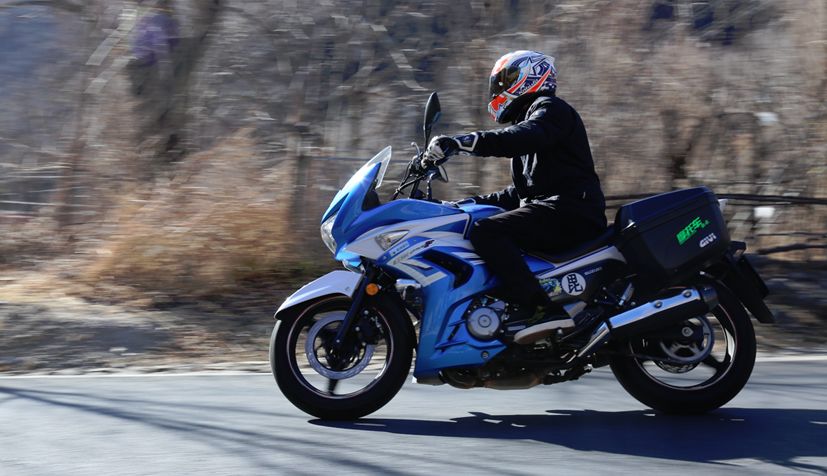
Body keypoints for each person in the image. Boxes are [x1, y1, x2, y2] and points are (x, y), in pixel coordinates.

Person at [422, 50, 607, 331]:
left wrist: (462, 143)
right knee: (476, 223)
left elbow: (522, 137)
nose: (498, 89)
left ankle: (541, 309)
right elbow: (516, 195)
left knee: (487, 232)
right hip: (556, 209)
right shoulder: (531, 123)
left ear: (530, 76)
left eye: (504, 82)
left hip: (572, 211)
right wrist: (459, 206)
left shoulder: (550, 110)